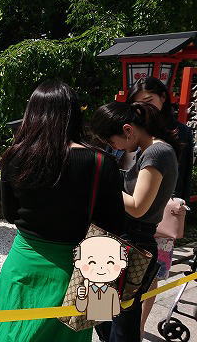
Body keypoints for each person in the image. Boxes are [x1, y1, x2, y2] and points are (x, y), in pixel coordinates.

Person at [0, 81, 125, 342]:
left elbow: (11, 214)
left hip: (23, 264)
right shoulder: (101, 162)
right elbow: (113, 224)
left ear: (32, 113)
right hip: (77, 271)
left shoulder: (15, 155)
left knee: (10, 334)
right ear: (74, 115)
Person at [91, 101, 180, 342]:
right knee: (102, 313)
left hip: (134, 242)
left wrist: (100, 183)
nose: (114, 148)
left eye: (111, 141)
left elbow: (139, 207)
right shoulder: (148, 150)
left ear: (128, 130)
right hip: (126, 239)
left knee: (121, 324)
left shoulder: (156, 152)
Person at [124, 77, 194, 337]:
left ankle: (137, 328)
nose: (143, 108)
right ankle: (120, 326)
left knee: (150, 276)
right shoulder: (131, 128)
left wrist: (180, 206)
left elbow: (183, 175)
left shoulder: (179, 133)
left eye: (148, 101)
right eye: (137, 104)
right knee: (118, 274)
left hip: (159, 214)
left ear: (163, 98)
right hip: (130, 211)